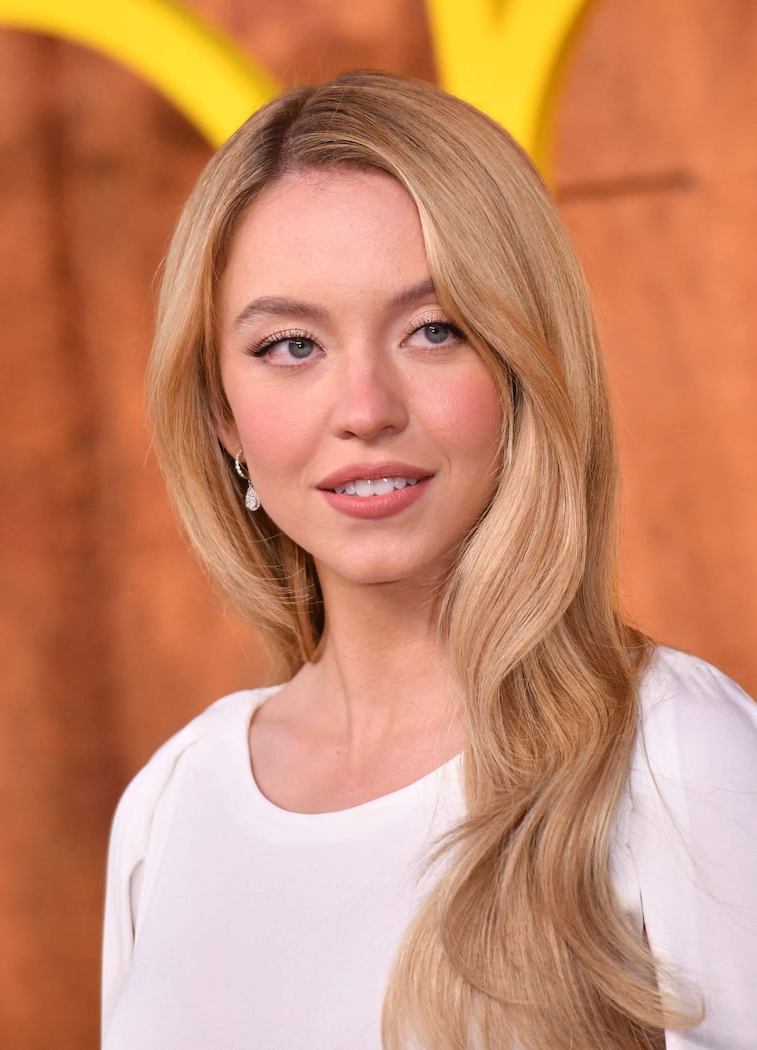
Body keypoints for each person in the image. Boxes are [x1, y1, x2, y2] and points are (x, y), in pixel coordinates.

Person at [101, 70, 757, 1050]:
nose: (365, 409)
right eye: (290, 346)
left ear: (524, 368)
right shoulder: (171, 804)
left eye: (434, 330)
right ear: (223, 415)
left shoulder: (670, 756)